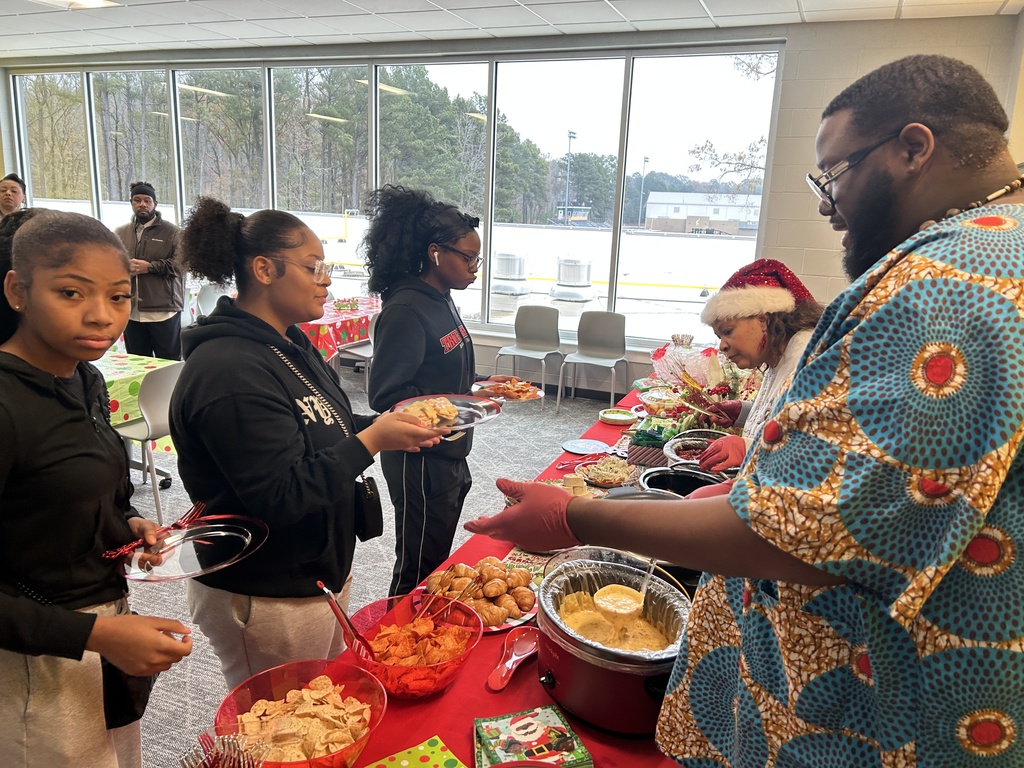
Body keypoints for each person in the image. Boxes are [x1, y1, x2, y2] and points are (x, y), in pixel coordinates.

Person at [466, 54, 1024, 767]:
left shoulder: (949, 281)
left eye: (835, 173)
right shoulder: (986, 253)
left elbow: (801, 536)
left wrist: (572, 517)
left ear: (914, 148)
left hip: (876, 720)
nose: (825, 203)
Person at [170, 196, 448, 690]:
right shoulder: (228, 371)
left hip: (312, 569)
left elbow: (327, 424)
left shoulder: (290, 342)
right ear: (264, 269)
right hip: (264, 587)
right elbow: (279, 494)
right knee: (276, 727)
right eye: (313, 266)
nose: (326, 279)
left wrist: (390, 423)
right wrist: (373, 440)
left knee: (321, 704)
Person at [0, 210, 192, 768]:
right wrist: (95, 635)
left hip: (102, 628)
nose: (102, 317)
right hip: (37, 660)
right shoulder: (8, 405)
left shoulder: (83, 378)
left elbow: (80, 489)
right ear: (18, 290)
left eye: (119, 297)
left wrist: (125, 522)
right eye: (70, 293)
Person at [365, 185, 510, 597]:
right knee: (419, 566)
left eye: (477, 259)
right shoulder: (406, 309)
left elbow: (437, 372)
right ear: (435, 253)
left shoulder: (441, 297)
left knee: (439, 561)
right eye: (467, 258)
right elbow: (386, 395)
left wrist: (477, 387)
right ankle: (395, 641)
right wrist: (460, 405)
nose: (474, 267)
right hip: (420, 459)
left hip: (450, 451)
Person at [693, 259, 823, 474]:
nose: (722, 346)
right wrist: (744, 411)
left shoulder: (806, 358)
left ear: (763, 320)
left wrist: (746, 448)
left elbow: (814, 451)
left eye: (727, 331)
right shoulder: (780, 351)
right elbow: (782, 419)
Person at [114, 181, 185, 360]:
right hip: (131, 310)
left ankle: (170, 390)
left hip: (163, 310)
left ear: (155, 203)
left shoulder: (173, 232)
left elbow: (182, 265)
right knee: (137, 363)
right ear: (131, 202)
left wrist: (151, 267)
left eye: (147, 200)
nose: (142, 204)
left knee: (169, 363)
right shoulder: (120, 233)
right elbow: (110, 264)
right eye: (137, 200)